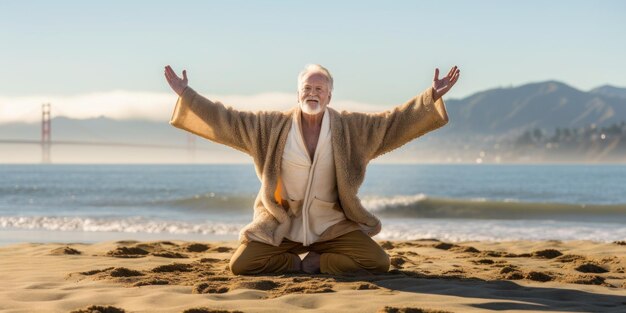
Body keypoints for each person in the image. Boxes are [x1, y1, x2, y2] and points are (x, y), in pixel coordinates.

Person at [164, 64, 460, 275]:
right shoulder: (270, 127)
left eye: (320, 88)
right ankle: (294, 264)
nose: (313, 93)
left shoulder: (351, 128)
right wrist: (186, 94)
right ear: (298, 94)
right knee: (240, 265)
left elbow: (391, 124)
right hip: (283, 224)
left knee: (378, 262)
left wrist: (430, 97)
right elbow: (226, 119)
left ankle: (319, 263)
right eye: (307, 87)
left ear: (330, 95)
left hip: (331, 226)